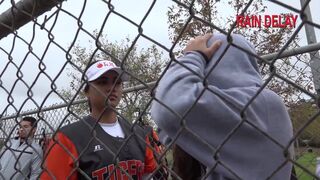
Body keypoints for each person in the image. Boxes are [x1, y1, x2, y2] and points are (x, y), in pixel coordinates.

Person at [151, 33, 294, 179]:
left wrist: (193, 56)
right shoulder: (212, 114)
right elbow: (165, 126)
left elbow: (168, 106)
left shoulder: (266, 105)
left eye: (205, 60)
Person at [41, 60, 161, 179]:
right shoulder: (67, 137)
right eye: (103, 82)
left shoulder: (139, 133)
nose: (112, 87)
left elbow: (148, 173)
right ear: (86, 91)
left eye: (117, 82)